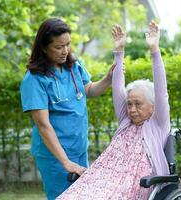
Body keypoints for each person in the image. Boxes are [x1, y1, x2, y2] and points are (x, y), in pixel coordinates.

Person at [56, 20, 170, 200]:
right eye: (129, 104)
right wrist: (119, 51)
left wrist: (155, 50)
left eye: (138, 104)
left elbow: (161, 91)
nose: (131, 109)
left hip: (132, 185)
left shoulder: (158, 124)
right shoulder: (126, 121)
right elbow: (117, 87)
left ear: (153, 107)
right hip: (104, 179)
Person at [20, 18, 113, 200]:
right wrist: (65, 162)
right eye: (58, 47)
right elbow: (43, 125)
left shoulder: (74, 66)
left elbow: (88, 90)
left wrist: (108, 79)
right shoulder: (34, 79)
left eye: (68, 44)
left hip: (78, 148)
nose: (65, 51)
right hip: (55, 155)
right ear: (44, 47)